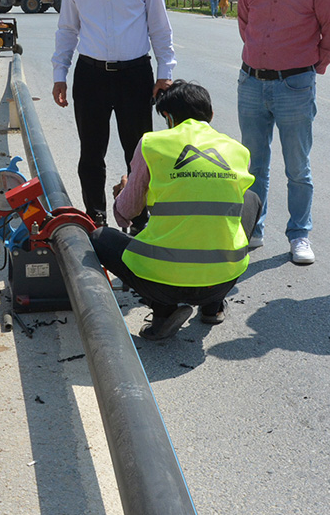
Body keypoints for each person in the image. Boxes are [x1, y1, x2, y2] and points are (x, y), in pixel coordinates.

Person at [90, 80, 259, 341]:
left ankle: (164, 309)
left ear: (168, 117)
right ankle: (212, 306)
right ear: (211, 115)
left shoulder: (152, 144)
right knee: (250, 199)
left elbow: (126, 212)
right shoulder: (237, 150)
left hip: (162, 282)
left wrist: (125, 191)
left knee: (100, 237)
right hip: (222, 279)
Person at [52, 0, 176, 229]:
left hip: (134, 75)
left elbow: (160, 28)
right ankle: (97, 218)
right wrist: (59, 74)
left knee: (139, 151)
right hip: (90, 75)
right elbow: (67, 30)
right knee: (91, 152)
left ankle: (138, 217)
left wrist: (165, 72)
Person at [236, 0, 330, 264]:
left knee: (297, 166)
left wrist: (312, 69)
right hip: (252, 82)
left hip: (294, 84)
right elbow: (245, 24)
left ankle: (299, 234)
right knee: (253, 164)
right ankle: (253, 230)